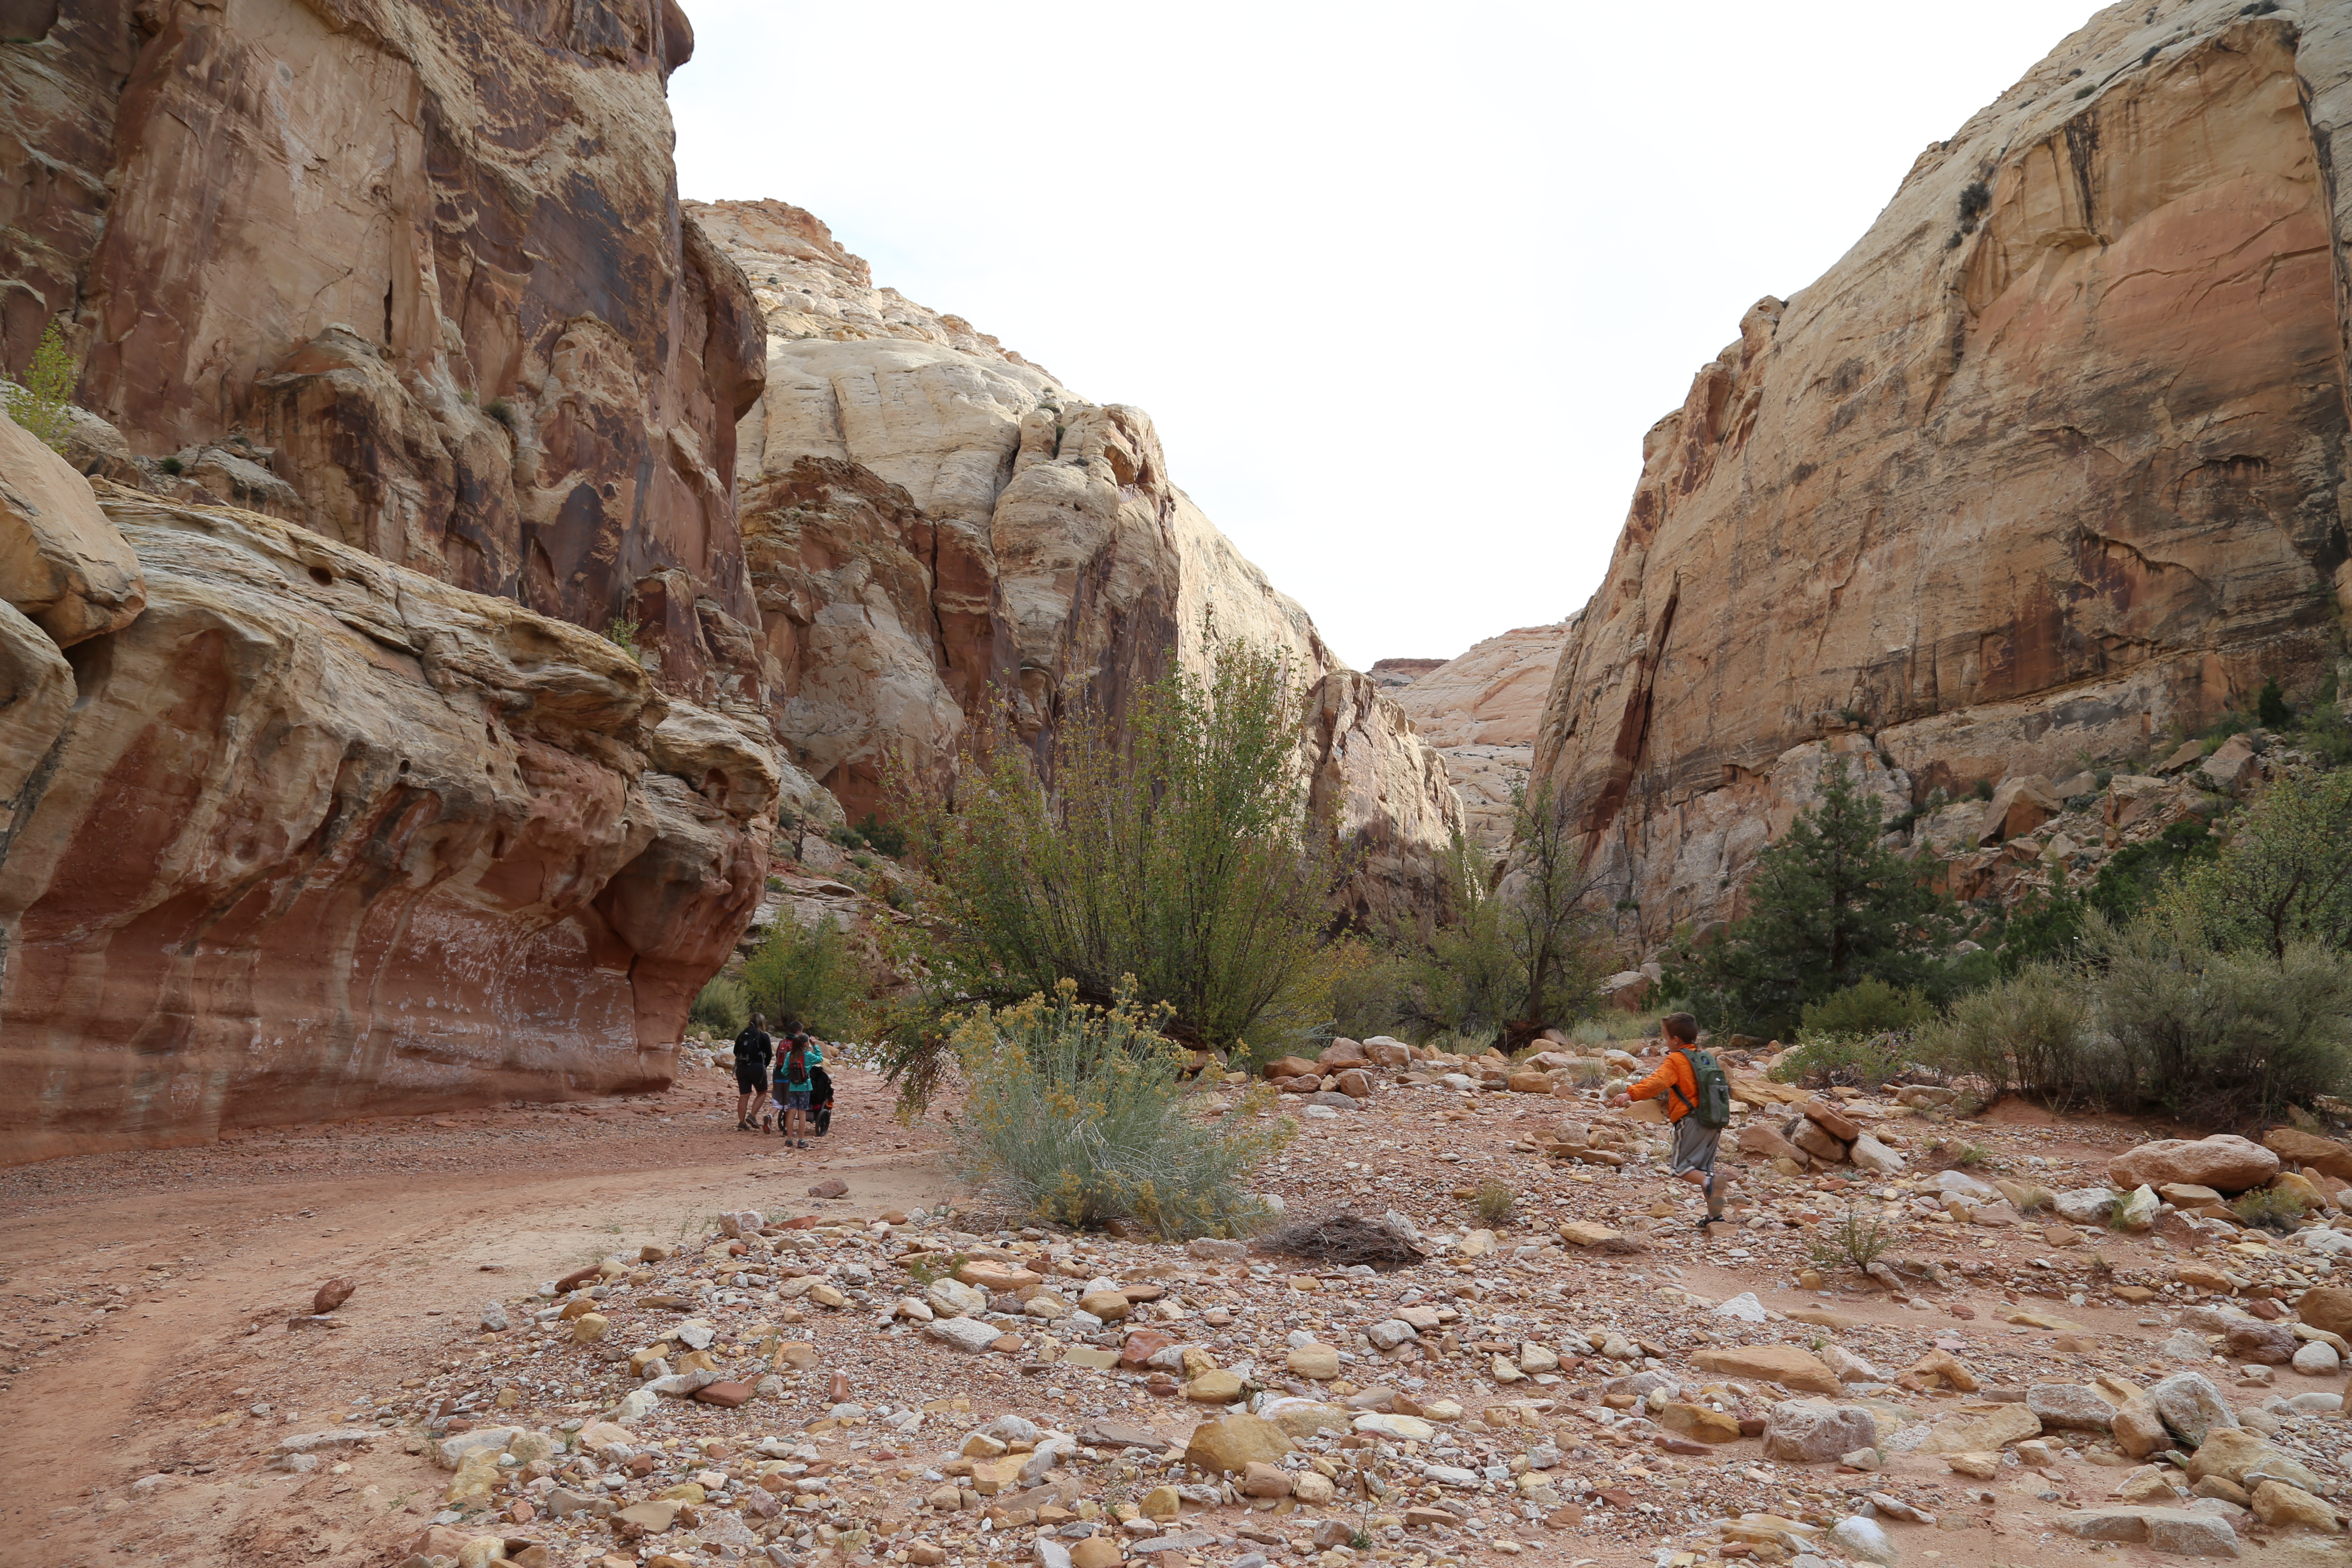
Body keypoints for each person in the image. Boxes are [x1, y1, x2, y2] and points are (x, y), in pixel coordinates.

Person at [1610, 1012, 1731, 1228]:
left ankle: (1710, 1184)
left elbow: (1658, 1082)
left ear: (1676, 1040)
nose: (1666, 1042)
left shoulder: (1677, 1059)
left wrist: (1631, 1093)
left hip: (1691, 1119)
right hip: (1715, 1118)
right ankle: (1715, 1216)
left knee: (1681, 1168)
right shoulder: (1706, 1058)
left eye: (1666, 1038)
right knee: (1704, 1168)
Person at [732, 1013, 775, 1131]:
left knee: (744, 1095)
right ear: (762, 1023)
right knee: (762, 1093)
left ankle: (741, 1123)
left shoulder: (743, 1034)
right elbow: (769, 1054)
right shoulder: (763, 1035)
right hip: (756, 1067)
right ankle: (752, 1116)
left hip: (741, 1067)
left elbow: (735, 1051)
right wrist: (763, 1066)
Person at [776, 1032, 815, 1148]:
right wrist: (816, 1046)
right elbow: (820, 1058)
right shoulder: (808, 1055)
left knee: (791, 1113)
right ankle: (801, 1141)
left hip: (792, 1087)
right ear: (806, 1044)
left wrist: (791, 1075)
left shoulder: (789, 1055)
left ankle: (789, 1140)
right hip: (805, 1087)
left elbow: (784, 1071)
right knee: (802, 1113)